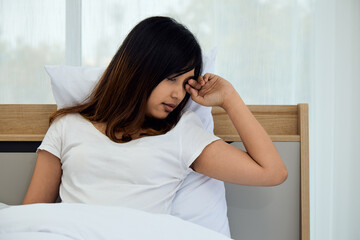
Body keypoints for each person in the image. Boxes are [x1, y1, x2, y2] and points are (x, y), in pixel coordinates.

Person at [23, 15, 287, 228]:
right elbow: (30, 219)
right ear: (138, 69)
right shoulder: (67, 127)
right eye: (171, 78)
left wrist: (229, 98)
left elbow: (272, 172)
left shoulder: (182, 131)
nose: (178, 93)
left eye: (185, 83)